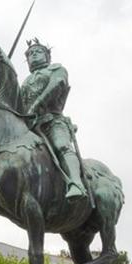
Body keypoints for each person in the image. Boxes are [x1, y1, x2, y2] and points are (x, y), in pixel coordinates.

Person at [21, 39, 86, 200]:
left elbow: (57, 85)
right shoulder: (25, 82)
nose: (33, 55)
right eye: (30, 54)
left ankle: (76, 183)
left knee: (62, 145)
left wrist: (35, 106)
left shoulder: (56, 69)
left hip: (52, 121)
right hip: (29, 127)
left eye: (38, 51)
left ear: (47, 56)